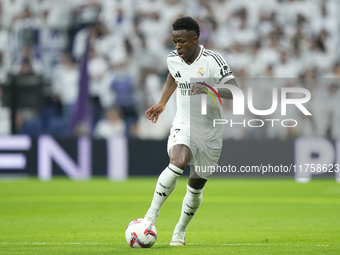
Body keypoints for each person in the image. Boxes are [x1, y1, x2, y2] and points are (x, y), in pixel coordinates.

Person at [144, 16, 237, 246]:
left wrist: (207, 88)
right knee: (178, 160)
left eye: (182, 42)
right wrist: (163, 102)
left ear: (195, 40)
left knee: (195, 187)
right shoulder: (174, 59)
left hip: (210, 132)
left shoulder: (213, 60)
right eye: (174, 41)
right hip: (184, 122)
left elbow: (234, 92)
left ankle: (180, 230)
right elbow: (173, 75)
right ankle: (150, 217)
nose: (177, 46)